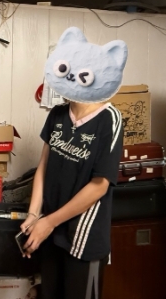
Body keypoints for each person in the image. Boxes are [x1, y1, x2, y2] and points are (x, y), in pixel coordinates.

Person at [20, 27, 128, 299]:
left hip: (84, 238)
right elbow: (43, 167)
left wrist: (48, 222)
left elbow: (99, 185)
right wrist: (34, 215)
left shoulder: (110, 120)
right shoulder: (57, 114)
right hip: (50, 230)